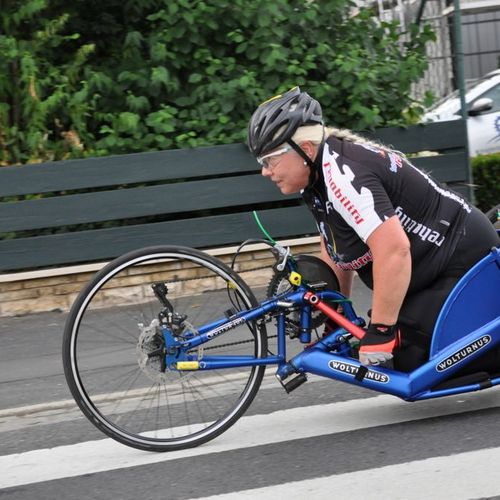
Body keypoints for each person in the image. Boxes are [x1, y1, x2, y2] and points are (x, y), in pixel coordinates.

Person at [247, 87, 499, 369]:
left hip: (463, 257)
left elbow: (393, 250)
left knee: (409, 355)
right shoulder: (317, 178)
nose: (265, 171)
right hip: (427, 268)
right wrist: (334, 314)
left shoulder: (344, 174)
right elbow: (336, 252)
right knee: (383, 346)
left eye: (269, 160)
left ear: (304, 149)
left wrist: (380, 329)